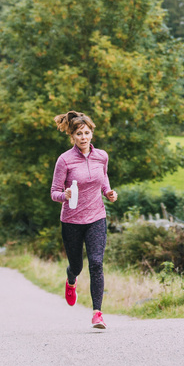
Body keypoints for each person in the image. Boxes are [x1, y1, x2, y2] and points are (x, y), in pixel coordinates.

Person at [50, 110, 118, 329]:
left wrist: (108, 192)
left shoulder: (102, 156)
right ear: (73, 137)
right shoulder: (65, 160)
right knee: (77, 265)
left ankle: (97, 313)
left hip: (96, 217)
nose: (84, 137)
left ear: (92, 134)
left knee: (96, 263)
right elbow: (54, 192)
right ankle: (71, 280)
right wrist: (65, 195)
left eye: (87, 132)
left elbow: (104, 178)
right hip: (71, 220)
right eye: (79, 133)